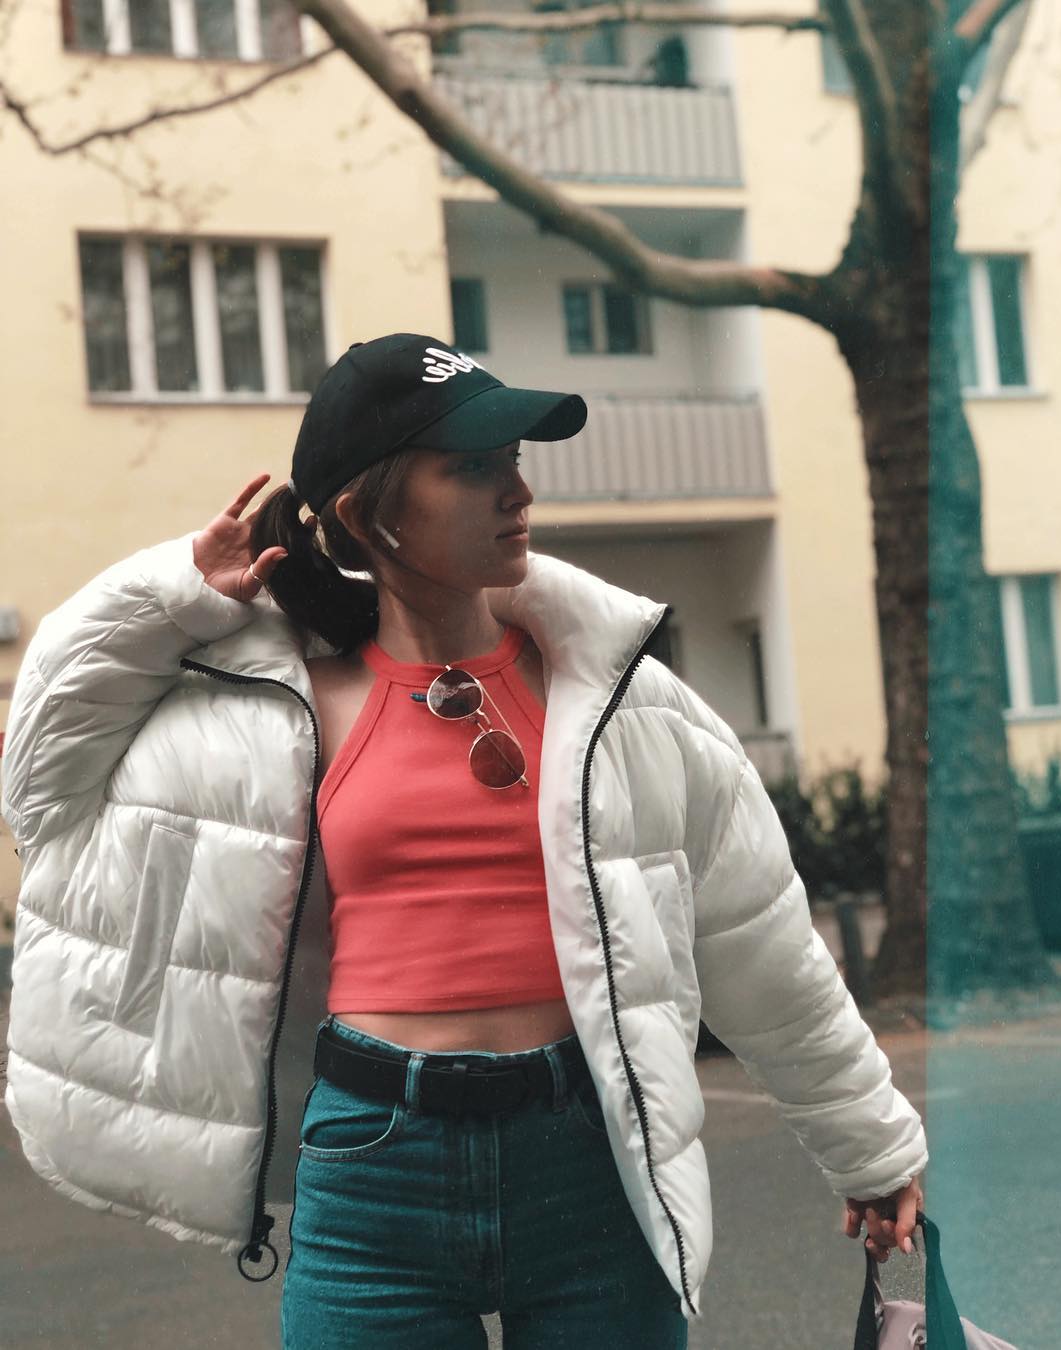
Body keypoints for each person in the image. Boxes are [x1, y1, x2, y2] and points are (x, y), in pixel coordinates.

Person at [2, 333, 927, 1348]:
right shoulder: (271, 711)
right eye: (476, 466)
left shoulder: (620, 700)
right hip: (372, 1169)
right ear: (370, 513)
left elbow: (762, 944)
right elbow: (40, 777)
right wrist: (168, 595)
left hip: (592, 1160)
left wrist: (869, 1146)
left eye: (515, 459)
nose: (518, 491)